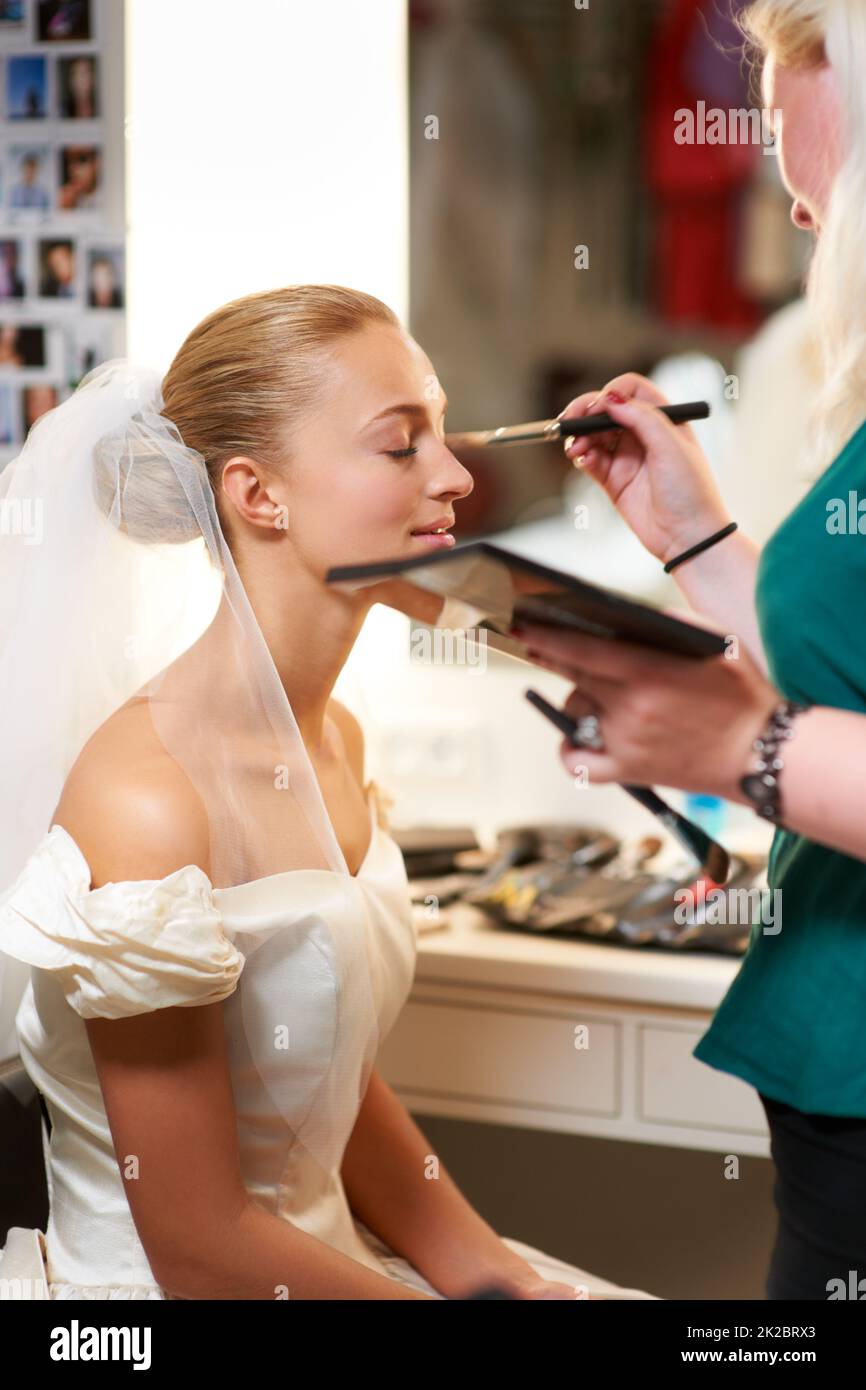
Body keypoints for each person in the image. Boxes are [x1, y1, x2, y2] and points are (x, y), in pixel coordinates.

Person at [0, 285, 658, 1301]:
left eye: (442, 432)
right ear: (258, 495)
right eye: (400, 445)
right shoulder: (146, 802)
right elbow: (198, 1243)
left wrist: (499, 1281)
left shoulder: (337, 741)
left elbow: (328, 1086)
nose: (451, 475)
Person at [510, 0, 866, 1301]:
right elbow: (842, 677)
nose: (791, 208)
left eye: (793, 144)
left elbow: (792, 725)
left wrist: (733, 745)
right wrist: (692, 539)